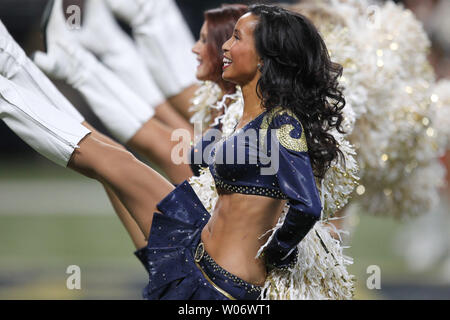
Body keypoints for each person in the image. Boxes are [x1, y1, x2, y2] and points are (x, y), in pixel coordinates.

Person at [0, 4, 346, 300]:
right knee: (109, 160)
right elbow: (199, 160)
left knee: (109, 160)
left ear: (264, 59)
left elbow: (308, 205)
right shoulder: (246, 114)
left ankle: (17, 69)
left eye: (236, 39)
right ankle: (13, 62)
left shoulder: (283, 125)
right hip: (195, 237)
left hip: (220, 284)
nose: (224, 46)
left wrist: (277, 254)